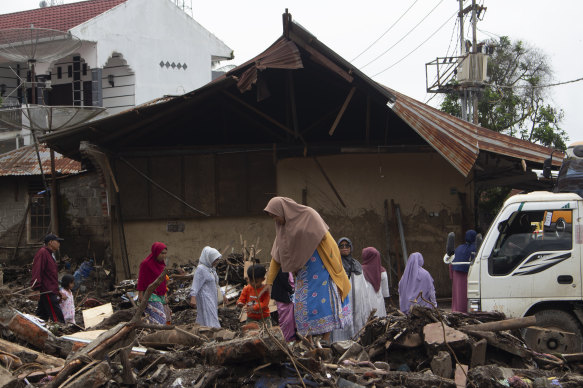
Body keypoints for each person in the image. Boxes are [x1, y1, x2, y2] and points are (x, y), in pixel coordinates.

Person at [263, 197, 351, 342]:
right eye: (272, 217)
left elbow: (326, 240)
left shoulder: (309, 215)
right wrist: (269, 282)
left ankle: (325, 339)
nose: (275, 220)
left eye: (275, 216)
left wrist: (335, 265)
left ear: (282, 210)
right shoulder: (282, 230)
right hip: (304, 273)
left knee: (324, 302)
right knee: (302, 305)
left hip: (321, 266)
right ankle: (308, 340)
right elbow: (276, 257)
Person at [331, 237, 366, 342]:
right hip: (340, 298)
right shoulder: (335, 264)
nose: (344, 248)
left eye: (347, 245)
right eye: (341, 246)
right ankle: (339, 344)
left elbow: (362, 284)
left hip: (355, 298)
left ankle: (355, 341)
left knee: (355, 320)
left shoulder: (356, 264)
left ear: (351, 248)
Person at [31, 233, 65, 323]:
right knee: (58, 319)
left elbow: (51, 276)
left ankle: (34, 332)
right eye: (57, 241)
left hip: (50, 290)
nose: (59, 244)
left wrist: (57, 291)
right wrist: (36, 288)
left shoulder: (50, 254)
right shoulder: (43, 253)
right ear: (50, 242)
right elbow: (37, 270)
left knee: (41, 317)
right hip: (47, 291)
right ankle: (62, 333)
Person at [189, 246, 222, 328]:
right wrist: (193, 297)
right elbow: (196, 283)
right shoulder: (201, 269)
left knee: (209, 315)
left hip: (212, 297)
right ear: (209, 258)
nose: (216, 262)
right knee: (209, 315)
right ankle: (213, 331)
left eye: (217, 259)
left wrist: (223, 295)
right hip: (205, 296)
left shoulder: (212, 269)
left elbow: (216, 283)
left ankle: (203, 330)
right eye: (215, 259)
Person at [136, 242, 168, 325]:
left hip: (160, 295)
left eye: (165, 253)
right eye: (162, 253)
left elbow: (163, 281)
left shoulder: (162, 265)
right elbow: (141, 280)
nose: (164, 256)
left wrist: (165, 295)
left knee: (163, 318)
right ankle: (157, 335)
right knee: (160, 318)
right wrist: (140, 294)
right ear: (156, 252)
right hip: (150, 295)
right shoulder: (146, 264)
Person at [450, 229, 477, 313]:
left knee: (457, 294)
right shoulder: (476, 248)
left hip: (456, 275)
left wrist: (452, 275)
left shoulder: (458, 248)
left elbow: (450, 262)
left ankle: (456, 311)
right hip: (468, 275)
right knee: (465, 295)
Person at [361, 247, 388, 319]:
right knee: (380, 322)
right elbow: (385, 293)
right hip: (379, 303)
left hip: (365, 302)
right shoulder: (382, 271)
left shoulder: (360, 271)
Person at [272, 269, 296, 341]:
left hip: (284, 297)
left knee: (288, 319)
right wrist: (291, 290)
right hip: (283, 297)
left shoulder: (284, 268)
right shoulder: (282, 268)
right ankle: (287, 338)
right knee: (286, 320)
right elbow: (284, 282)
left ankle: (290, 337)